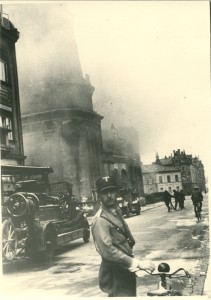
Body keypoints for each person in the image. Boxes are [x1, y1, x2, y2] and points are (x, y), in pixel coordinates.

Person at [91, 176, 155, 297]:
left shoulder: (115, 211)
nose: (109, 195)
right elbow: (107, 251)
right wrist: (136, 263)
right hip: (115, 273)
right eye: (105, 192)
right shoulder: (100, 219)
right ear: (99, 195)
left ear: (117, 192)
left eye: (112, 191)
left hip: (124, 269)